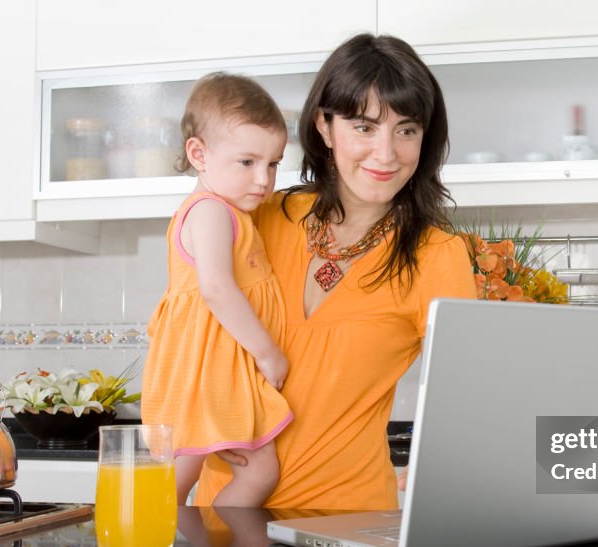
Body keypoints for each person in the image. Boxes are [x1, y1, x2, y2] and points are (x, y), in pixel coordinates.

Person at [194, 34, 476, 510]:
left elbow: (470, 393)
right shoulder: (260, 217)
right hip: (223, 518)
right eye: (364, 128)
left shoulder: (438, 254)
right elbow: (190, 322)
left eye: (406, 130)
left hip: (347, 524)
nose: (386, 154)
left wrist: (431, 462)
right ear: (325, 126)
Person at [142, 72, 292, 508]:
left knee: (232, 474)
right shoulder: (209, 212)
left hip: (219, 373)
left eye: (273, 163)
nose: (263, 179)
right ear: (198, 154)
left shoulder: (233, 212)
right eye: (247, 162)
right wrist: (268, 353)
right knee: (184, 482)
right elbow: (216, 289)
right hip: (202, 376)